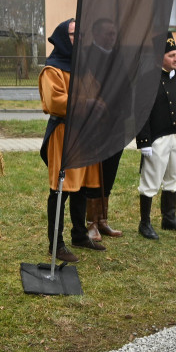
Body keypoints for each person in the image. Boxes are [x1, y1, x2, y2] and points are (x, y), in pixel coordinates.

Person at [38, 18, 103, 262]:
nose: (80, 39)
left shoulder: (84, 67)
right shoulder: (51, 70)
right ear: (64, 37)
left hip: (84, 133)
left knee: (82, 188)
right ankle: (56, 244)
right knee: (60, 189)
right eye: (75, 35)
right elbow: (55, 103)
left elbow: (98, 93)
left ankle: (79, 235)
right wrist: (88, 103)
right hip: (63, 134)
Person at [136, 33, 176, 239]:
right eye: (171, 55)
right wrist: (144, 141)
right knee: (151, 182)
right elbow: (141, 111)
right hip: (157, 139)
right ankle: (145, 223)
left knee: (174, 178)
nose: (175, 58)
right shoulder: (147, 79)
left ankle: (169, 218)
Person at [82, 17, 124, 242]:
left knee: (109, 172)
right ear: (96, 34)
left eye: (113, 33)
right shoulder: (86, 55)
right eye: (108, 33)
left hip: (115, 126)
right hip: (95, 125)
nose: (111, 37)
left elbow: (125, 86)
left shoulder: (118, 56)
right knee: (94, 174)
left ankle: (103, 220)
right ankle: (90, 223)